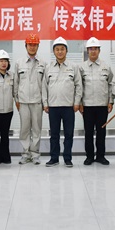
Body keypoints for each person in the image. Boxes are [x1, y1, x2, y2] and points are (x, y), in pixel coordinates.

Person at [42, 37, 82, 167]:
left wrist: (77, 102)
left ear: (66, 51)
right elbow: (44, 87)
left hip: (68, 107)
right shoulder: (48, 67)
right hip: (53, 106)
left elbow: (79, 85)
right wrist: (45, 103)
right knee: (54, 134)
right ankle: (54, 158)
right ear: (54, 51)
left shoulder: (73, 67)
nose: (60, 52)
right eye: (57, 49)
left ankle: (67, 158)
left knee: (68, 134)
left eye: (62, 49)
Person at [80, 37, 113, 165]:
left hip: (102, 105)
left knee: (101, 132)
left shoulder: (106, 67)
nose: (93, 51)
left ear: (99, 50)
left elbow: (111, 85)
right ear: (87, 51)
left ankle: (100, 156)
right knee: (88, 133)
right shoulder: (82, 67)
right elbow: (79, 87)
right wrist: (80, 103)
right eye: (90, 49)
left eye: (95, 49)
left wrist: (110, 101)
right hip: (87, 106)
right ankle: (89, 156)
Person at [13, 33, 45, 165]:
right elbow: (16, 83)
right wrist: (17, 100)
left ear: (38, 46)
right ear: (26, 46)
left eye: (34, 45)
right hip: (23, 101)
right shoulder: (19, 63)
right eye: (30, 44)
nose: (32, 47)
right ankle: (25, 154)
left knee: (37, 129)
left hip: (37, 101)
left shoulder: (43, 63)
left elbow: (45, 84)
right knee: (24, 129)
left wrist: (44, 102)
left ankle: (35, 154)